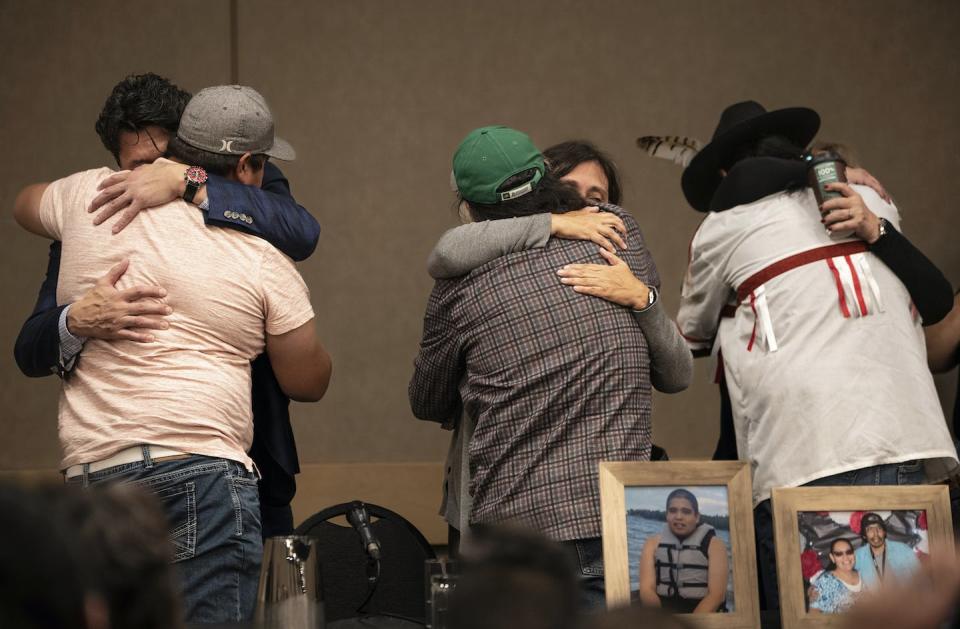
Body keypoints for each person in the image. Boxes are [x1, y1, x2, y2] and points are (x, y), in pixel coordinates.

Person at [12, 84, 332, 623]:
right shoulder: (103, 199)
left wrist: (188, 183)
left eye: (159, 162)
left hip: (114, 470)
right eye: (134, 164)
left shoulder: (85, 196)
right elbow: (308, 378)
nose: (143, 176)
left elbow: (23, 201)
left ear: (183, 149)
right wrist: (74, 319)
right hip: (190, 470)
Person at [675, 100, 958, 611]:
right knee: (911, 619)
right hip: (909, 445)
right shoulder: (866, 198)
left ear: (723, 173)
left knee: (819, 615)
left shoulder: (720, 227)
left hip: (805, 454)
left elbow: (690, 339)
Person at [410, 126, 689, 608]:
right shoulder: (616, 231)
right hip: (622, 522)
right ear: (547, 179)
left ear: (470, 208)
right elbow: (676, 377)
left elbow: (427, 399)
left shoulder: (460, 283)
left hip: (521, 537)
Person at [637, 489, 728, 614]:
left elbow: (716, 596)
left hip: (702, 616)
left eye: (686, 512)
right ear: (667, 515)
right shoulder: (651, 544)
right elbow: (647, 589)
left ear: (697, 517)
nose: (678, 517)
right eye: (673, 510)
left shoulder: (716, 545)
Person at [853, 513, 920, 589]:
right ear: (864, 536)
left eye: (879, 528)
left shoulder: (903, 550)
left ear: (884, 532)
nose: (875, 533)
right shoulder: (857, 557)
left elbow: (922, 580)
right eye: (870, 529)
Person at [809, 538, 862, 614]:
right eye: (839, 554)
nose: (845, 557)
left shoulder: (864, 575)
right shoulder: (825, 581)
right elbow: (813, 615)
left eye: (849, 552)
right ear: (832, 558)